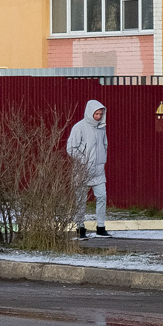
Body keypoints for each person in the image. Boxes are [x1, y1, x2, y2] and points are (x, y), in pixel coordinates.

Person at [67, 99, 110, 238]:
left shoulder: (101, 128)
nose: (98, 116)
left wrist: (102, 159)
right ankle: (80, 227)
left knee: (102, 196)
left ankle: (101, 226)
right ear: (90, 113)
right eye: (96, 114)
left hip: (98, 171)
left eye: (100, 114)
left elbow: (105, 144)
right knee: (80, 199)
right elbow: (71, 148)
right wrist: (84, 161)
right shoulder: (79, 127)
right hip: (83, 171)